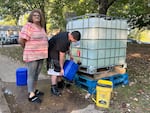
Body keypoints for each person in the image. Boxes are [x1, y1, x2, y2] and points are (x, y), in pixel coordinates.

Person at [18, 9, 48, 103]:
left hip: (41, 55)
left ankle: (34, 90)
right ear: (31, 16)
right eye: (34, 15)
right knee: (31, 75)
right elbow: (21, 40)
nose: (37, 16)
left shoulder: (41, 27)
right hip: (32, 55)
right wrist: (27, 48)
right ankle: (31, 94)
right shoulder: (28, 26)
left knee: (36, 75)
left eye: (38, 15)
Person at [47, 31, 81, 96]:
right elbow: (61, 55)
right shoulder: (63, 41)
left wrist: (70, 54)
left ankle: (60, 83)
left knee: (59, 69)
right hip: (52, 54)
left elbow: (67, 46)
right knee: (54, 72)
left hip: (57, 51)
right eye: (75, 40)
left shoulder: (68, 35)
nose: (75, 42)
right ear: (71, 36)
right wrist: (62, 68)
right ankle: (53, 88)